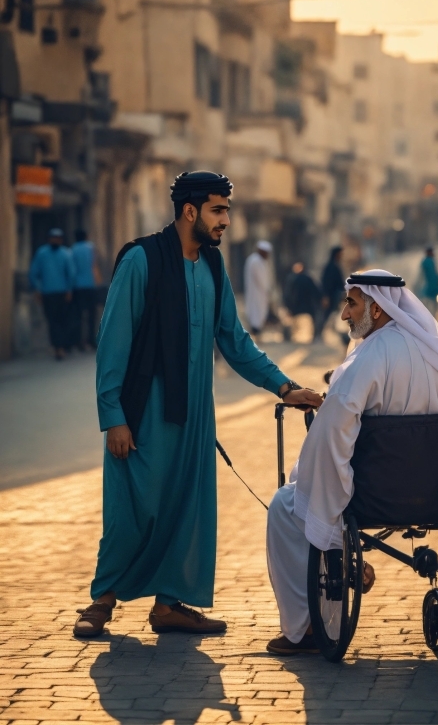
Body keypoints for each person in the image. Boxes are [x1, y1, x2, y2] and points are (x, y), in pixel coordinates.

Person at [73, 171, 322, 639]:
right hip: (141, 413)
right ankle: (101, 602)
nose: (226, 220)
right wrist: (113, 418)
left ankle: (168, 606)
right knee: (133, 508)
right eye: (219, 210)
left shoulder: (211, 266)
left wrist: (284, 388)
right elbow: (113, 345)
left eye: (227, 210)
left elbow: (234, 339)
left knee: (188, 507)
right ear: (190, 211)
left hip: (194, 418)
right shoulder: (141, 260)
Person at [266, 269, 438, 655]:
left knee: (285, 505)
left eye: (351, 303)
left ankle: (305, 627)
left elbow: (332, 433)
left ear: (376, 309)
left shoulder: (368, 358)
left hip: (375, 496)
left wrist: (311, 480)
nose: (345, 313)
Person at [29, 228, 75, 361]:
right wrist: (37, 290)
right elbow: (34, 273)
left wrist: (69, 290)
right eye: (53, 238)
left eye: (58, 238)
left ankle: (61, 345)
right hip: (48, 293)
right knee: (52, 321)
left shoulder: (65, 253)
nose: (56, 240)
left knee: (62, 320)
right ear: (49, 239)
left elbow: (71, 274)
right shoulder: (42, 253)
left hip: (62, 293)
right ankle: (57, 347)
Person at [71, 229, 101, 350]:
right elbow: (94, 265)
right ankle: (92, 341)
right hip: (90, 285)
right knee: (92, 315)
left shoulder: (72, 249)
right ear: (86, 236)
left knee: (78, 315)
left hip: (77, 286)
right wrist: (97, 280)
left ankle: (79, 342)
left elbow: (72, 269)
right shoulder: (90, 247)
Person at [283, 262, 323, 342]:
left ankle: (313, 336)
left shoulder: (295, 279)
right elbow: (315, 290)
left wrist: (288, 305)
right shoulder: (299, 279)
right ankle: (313, 336)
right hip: (304, 305)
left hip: (299, 305)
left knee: (311, 320)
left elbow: (287, 294)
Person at [244, 241, 273, 336]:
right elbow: (260, 278)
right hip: (256, 291)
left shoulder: (261, 261)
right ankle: (255, 331)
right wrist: (267, 288)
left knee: (260, 312)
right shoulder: (255, 261)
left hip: (261, 292)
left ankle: (257, 330)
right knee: (256, 311)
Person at [321, 246, 345, 328]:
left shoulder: (336, 266)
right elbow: (326, 282)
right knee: (329, 314)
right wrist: (326, 296)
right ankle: (322, 330)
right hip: (331, 295)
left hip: (336, 294)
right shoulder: (330, 267)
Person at [419, 246, 438, 314]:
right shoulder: (428, 261)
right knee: (431, 307)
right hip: (430, 288)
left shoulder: (427, 261)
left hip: (430, 288)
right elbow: (432, 275)